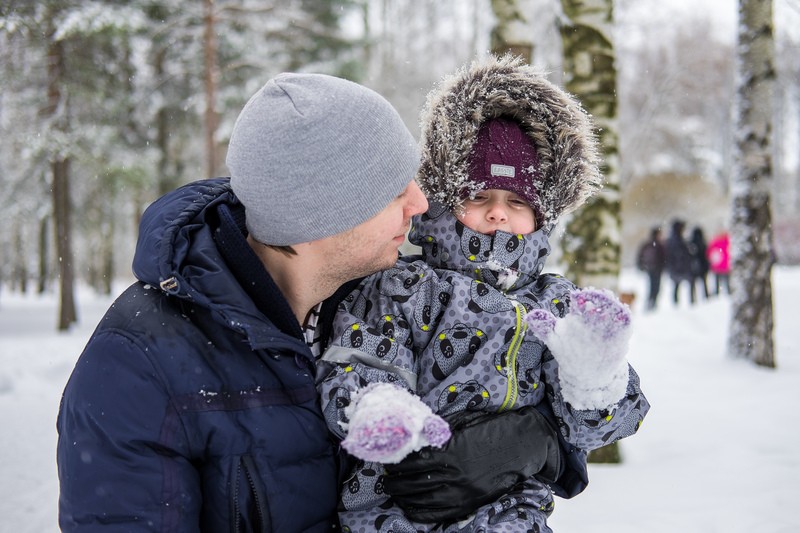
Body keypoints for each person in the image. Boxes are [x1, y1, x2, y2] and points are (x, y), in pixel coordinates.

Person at [56, 73, 573, 531]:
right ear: (321, 216)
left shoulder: (389, 293)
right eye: (394, 192)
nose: (421, 203)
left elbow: (529, 375)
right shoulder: (139, 370)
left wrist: (535, 442)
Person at [317, 56, 650, 532]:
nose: (498, 215)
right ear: (445, 199)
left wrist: (594, 374)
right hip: (397, 506)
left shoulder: (554, 304)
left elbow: (592, 427)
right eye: (479, 198)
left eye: (517, 202)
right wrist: (377, 409)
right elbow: (358, 357)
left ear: (543, 216)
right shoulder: (404, 286)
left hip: (509, 514)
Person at [665, 219, 696, 305]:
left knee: (676, 286)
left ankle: (677, 304)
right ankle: (689, 303)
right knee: (682, 285)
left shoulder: (672, 240)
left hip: (675, 268)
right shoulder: (679, 240)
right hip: (680, 268)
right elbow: (681, 255)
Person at [637, 226, 667, 310]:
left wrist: (641, 266)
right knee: (656, 286)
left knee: (651, 285)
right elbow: (664, 258)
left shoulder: (647, 244)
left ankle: (650, 302)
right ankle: (653, 302)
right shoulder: (660, 245)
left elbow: (640, 256)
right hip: (657, 269)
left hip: (649, 268)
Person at [689, 226, 710, 299]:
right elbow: (706, 255)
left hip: (694, 267)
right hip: (702, 266)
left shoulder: (691, 242)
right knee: (704, 282)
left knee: (692, 284)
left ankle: (692, 298)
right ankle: (706, 296)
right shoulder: (702, 242)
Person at [707, 231, 731, 295]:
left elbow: (709, 253)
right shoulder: (727, 241)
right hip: (725, 266)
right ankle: (728, 291)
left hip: (718, 266)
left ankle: (718, 292)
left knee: (718, 281)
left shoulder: (715, 242)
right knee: (726, 281)